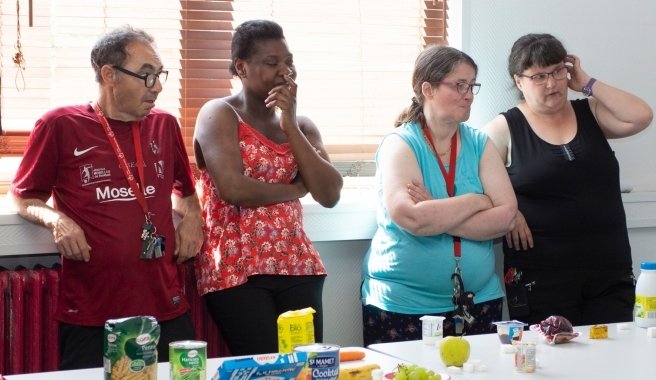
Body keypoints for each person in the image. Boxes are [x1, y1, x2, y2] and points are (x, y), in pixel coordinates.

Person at [8, 25, 204, 369]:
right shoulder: (60, 125)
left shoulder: (165, 125)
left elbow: (186, 192)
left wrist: (194, 218)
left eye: (159, 75)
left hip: (165, 304)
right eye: (146, 76)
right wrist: (59, 220)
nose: (156, 87)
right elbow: (23, 197)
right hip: (92, 312)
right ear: (109, 74)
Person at [192, 19, 343, 355]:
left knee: (305, 369)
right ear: (241, 67)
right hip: (237, 270)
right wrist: (295, 189)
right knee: (265, 369)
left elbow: (330, 193)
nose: (285, 71)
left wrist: (290, 125)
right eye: (272, 63)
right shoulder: (219, 113)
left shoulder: (301, 125)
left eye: (289, 62)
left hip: (299, 266)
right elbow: (234, 189)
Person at [481, 33, 653, 327]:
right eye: (539, 76)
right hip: (541, 275)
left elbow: (641, 116)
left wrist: (587, 83)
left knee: (613, 357)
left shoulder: (591, 113)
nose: (552, 83)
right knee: (552, 361)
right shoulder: (503, 129)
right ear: (519, 81)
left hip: (608, 270)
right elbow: (472, 182)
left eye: (559, 71)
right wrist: (509, 212)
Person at [361, 45, 518, 345]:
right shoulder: (401, 143)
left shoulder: (479, 144)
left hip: (477, 303)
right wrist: (476, 202)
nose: (469, 94)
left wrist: (434, 209)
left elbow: (506, 216)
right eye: (459, 85)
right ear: (428, 89)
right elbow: (410, 216)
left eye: (472, 86)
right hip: (403, 307)